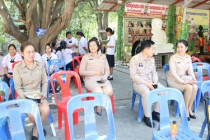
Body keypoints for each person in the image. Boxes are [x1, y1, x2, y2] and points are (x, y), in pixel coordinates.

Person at [13, 42, 50, 140]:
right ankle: (38, 128)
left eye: (33, 52)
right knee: (32, 114)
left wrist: (43, 95)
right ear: (22, 53)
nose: (31, 54)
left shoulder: (39, 65)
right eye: (28, 52)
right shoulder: (17, 68)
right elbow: (18, 87)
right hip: (24, 96)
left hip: (39, 94)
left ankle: (36, 128)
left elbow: (45, 82)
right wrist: (27, 100)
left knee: (46, 110)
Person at [130, 40, 163, 128]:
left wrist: (155, 82)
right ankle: (147, 116)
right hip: (139, 83)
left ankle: (156, 112)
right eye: (152, 49)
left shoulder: (151, 59)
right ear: (145, 50)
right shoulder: (135, 59)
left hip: (151, 81)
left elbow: (154, 72)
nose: (154, 51)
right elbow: (133, 76)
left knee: (163, 91)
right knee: (146, 92)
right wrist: (146, 84)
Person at [79, 37, 113, 116]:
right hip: (90, 79)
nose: (92, 47)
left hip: (102, 79)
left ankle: (97, 103)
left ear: (98, 46)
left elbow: (107, 70)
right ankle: (98, 107)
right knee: (99, 91)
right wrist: (94, 72)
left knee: (109, 91)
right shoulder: (86, 57)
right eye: (90, 46)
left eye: (94, 45)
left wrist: (104, 77)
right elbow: (81, 72)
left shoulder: (103, 56)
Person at [167, 40, 197, 121]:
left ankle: (189, 108)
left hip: (183, 78)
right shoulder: (173, 58)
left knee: (195, 87)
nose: (179, 49)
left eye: (181, 47)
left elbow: (190, 71)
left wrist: (193, 79)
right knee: (188, 88)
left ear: (186, 48)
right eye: (178, 47)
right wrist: (183, 82)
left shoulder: (188, 58)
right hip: (173, 80)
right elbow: (173, 73)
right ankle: (184, 110)